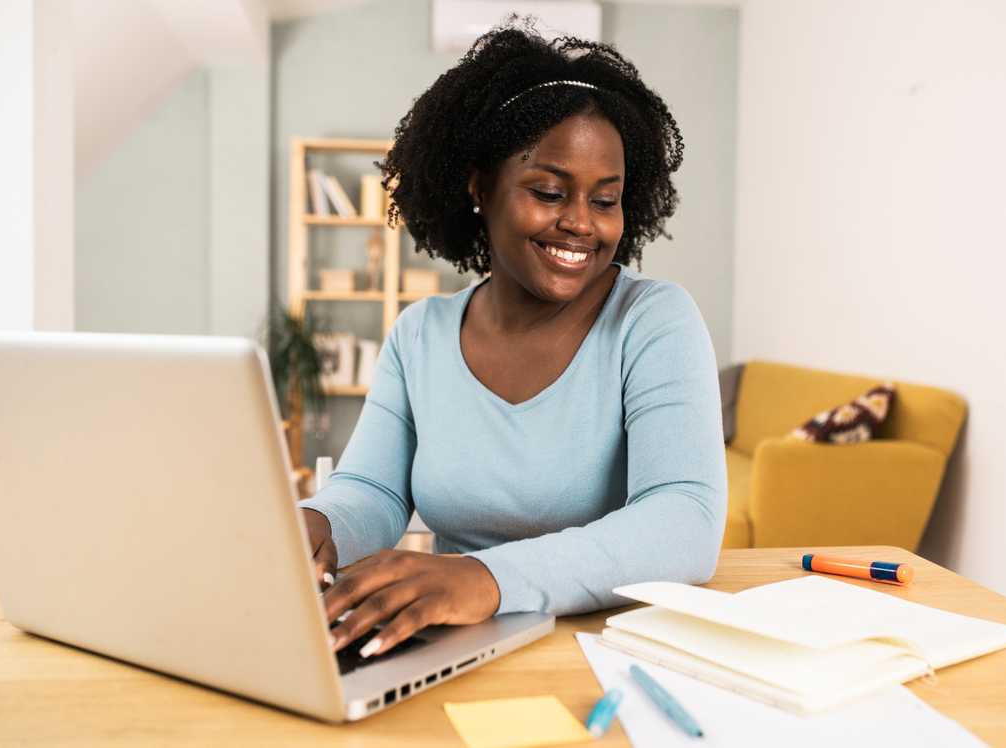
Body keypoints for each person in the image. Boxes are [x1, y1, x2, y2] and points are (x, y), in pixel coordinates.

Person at [299, 20, 726, 661]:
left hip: (612, 651)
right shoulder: (420, 334)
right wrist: (318, 524)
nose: (581, 222)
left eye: (605, 200)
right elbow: (375, 490)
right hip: (452, 648)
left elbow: (684, 519)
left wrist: (490, 578)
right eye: (549, 192)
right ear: (479, 188)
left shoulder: (653, 320)